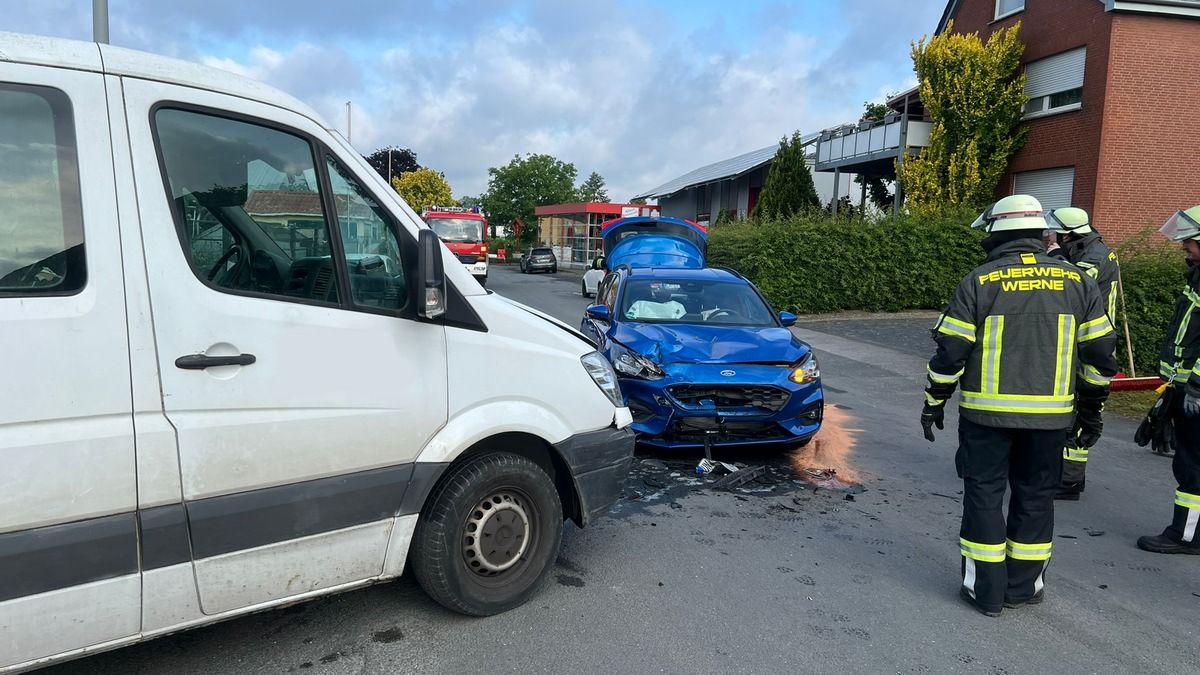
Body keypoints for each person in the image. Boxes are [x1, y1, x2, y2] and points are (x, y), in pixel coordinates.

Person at [920, 194, 1119, 616]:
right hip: (1050, 420)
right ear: (1039, 232)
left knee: (984, 497)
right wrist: (1091, 410)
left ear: (997, 233)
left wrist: (934, 401)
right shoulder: (1078, 282)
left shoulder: (980, 281)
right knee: (1036, 498)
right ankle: (1022, 588)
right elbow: (1100, 353)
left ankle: (985, 592)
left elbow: (951, 352)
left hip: (985, 418)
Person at [1044, 207, 1121, 500]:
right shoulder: (1086, 248)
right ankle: (1064, 474)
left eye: (1054, 234)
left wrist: (1053, 256)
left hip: (1093, 342)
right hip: (1083, 338)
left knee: (1083, 408)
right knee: (1072, 405)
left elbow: (1074, 283)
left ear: (1068, 234)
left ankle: (1070, 482)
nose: (1049, 238)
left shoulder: (1095, 256)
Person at [1137, 205, 1200, 555]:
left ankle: (1186, 536)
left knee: (1192, 463)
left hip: (1197, 391)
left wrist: (1196, 385)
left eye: (1189, 241)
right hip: (1186, 388)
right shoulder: (1197, 276)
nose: (1183, 247)